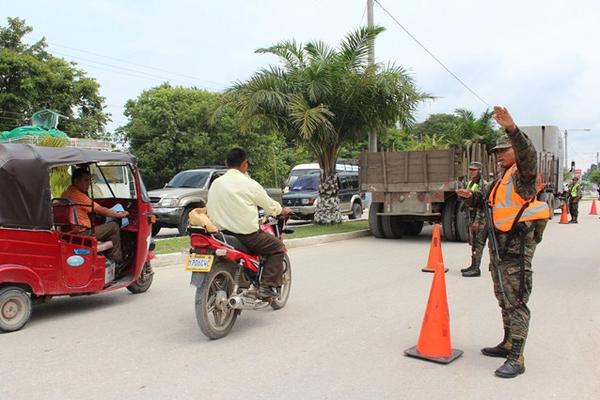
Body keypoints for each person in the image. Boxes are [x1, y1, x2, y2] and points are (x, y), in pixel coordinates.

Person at [456, 106, 550, 378]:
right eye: (496, 152)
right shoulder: (500, 180)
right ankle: (508, 342)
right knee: (503, 298)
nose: (498, 156)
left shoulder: (523, 175)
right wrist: (469, 197)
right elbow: (485, 201)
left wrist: (512, 128)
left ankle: (517, 356)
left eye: (503, 151)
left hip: (517, 249)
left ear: (514, 151)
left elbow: (528, 154)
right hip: (500, 249)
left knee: (517, 301)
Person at [207, 148, 292, 298]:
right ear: (244, 164)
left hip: (219, 234)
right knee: (278, 247)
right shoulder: (249, 184)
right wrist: (282, 210)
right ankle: (267, 287)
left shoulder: (216, 183)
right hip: (246, 236)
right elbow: (270, 206)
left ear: (226, 163)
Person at [61, 167, 129, 263]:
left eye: (89, 180)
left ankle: (105, 257)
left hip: (69, 233)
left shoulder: (66, 193)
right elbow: (100, 210)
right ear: (76, 181)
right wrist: (119, 215)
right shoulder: (77, 195)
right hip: (82, 233)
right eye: (85, 180)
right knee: (113, 226)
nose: (88, 184)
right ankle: (116, 260)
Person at [460, 161, 488, 277]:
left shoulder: (483, 185)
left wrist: (477, 221)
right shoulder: (471, 183)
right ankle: (473, 265)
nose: (471, 172)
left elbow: (482, 205)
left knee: (478, 243)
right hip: (471, 215)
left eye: (473, 170)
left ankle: (476, 268)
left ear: (479, 171)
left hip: (480, 217)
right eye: (470, 169)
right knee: (473, 241)